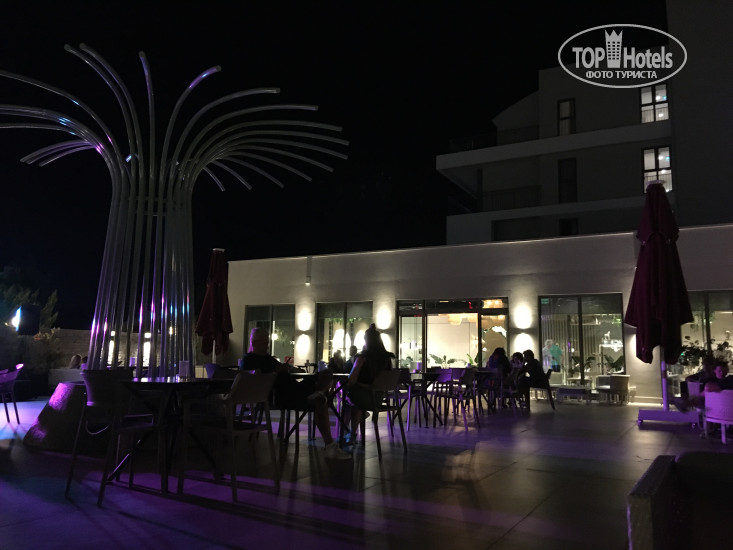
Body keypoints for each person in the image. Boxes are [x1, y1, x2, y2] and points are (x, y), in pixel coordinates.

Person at [240, 327, 350, 459]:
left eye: (267, 342)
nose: (267, 346)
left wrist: (286, 369)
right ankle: (330, 445)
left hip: (295, 388)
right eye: (265, 343)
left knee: (327, 374)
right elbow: (254, 381)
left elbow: (282, 370)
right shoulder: (249, 360)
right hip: (281, 395)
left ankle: (318, 393)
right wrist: (275, 371)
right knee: (320, 402)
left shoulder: (269, 359)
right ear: (254, 343)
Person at [344, 324, 395, 443]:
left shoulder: (362, 358)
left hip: (364, 398)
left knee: (348, 399)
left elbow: (351, 381)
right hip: (379, 398)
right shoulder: (387, 359)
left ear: (366, 341)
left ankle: (349, 433)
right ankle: (352, 429)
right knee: (353, 399)